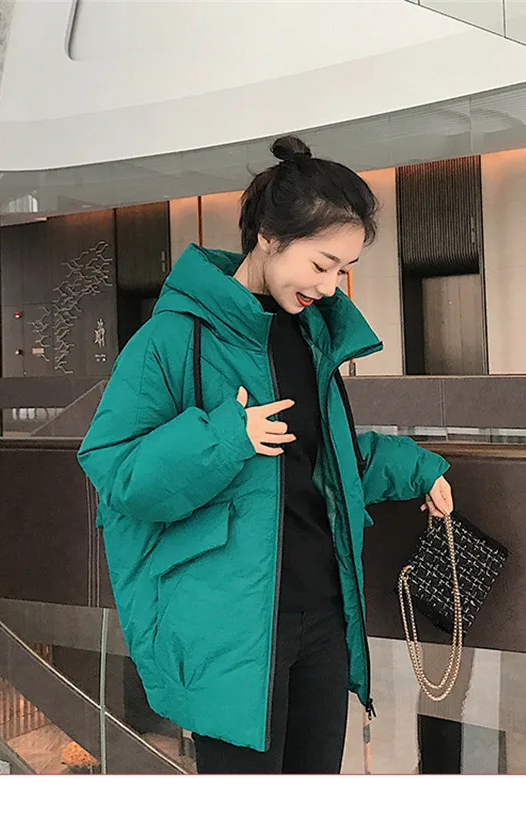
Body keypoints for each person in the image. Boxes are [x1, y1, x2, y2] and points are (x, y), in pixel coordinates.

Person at [78, 135, 453, 774]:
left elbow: (319, 461)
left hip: (324, 614)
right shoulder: (172, 339)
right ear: (269, 237)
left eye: (342, 271)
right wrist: (227, 438)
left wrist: (416, 468)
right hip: (230, 629)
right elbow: (117, 471)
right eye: (321, 264)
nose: (330, 288)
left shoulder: (312, 335)